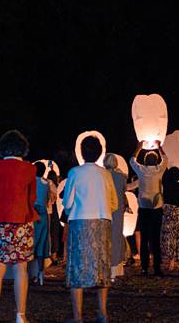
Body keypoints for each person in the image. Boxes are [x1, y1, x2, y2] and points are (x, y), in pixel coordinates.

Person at [0, 129, 40, 323]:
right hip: (21, 221)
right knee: (20, 269)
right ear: (23, 148)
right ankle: (20, 316)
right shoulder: (30, 169)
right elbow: (32, 198)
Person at [60, 136, 119, 323]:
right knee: (101, 266)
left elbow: (67, 202)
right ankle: (102, 313)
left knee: (77, 266)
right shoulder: (105, 174)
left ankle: (78, 316)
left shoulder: (75, 173)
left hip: (80, 220)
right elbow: (114, 203)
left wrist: (71, 208)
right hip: (102, 220)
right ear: (99, 152)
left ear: (82, 152)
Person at [130, 147, 165, 277]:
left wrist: (138, 147)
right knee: (156, 239)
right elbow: (165, 159)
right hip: (156, 208)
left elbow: (132, 160)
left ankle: (144, 268)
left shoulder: (141, 170)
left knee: (144, 239)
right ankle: (157, 268)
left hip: (144, 208)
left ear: (145, 161)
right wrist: (160, 147)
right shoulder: (159, 170)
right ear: (156, 161)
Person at [101, 156, 129, 281]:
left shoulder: (102, 175)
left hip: (104, 208)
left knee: (104, 237)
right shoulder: (121, 177)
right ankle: (115, 269)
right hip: (117, 210)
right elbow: (124, 190)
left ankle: (103, 267)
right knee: (116, 237)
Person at [27, 161, 51, 285]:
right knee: (41, 243)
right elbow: (47, 201)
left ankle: (27, 274)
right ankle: (40, 274)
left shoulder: (30, 182)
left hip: (33, 213)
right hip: (43, 215)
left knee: (30, 243)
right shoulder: (47, 184)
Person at [159, 166, 179, 271]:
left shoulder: (165, 185)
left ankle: (169, 259)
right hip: (176, 212)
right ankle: (173, 261)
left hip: (166, 210)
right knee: (175, 236)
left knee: (167, 236)